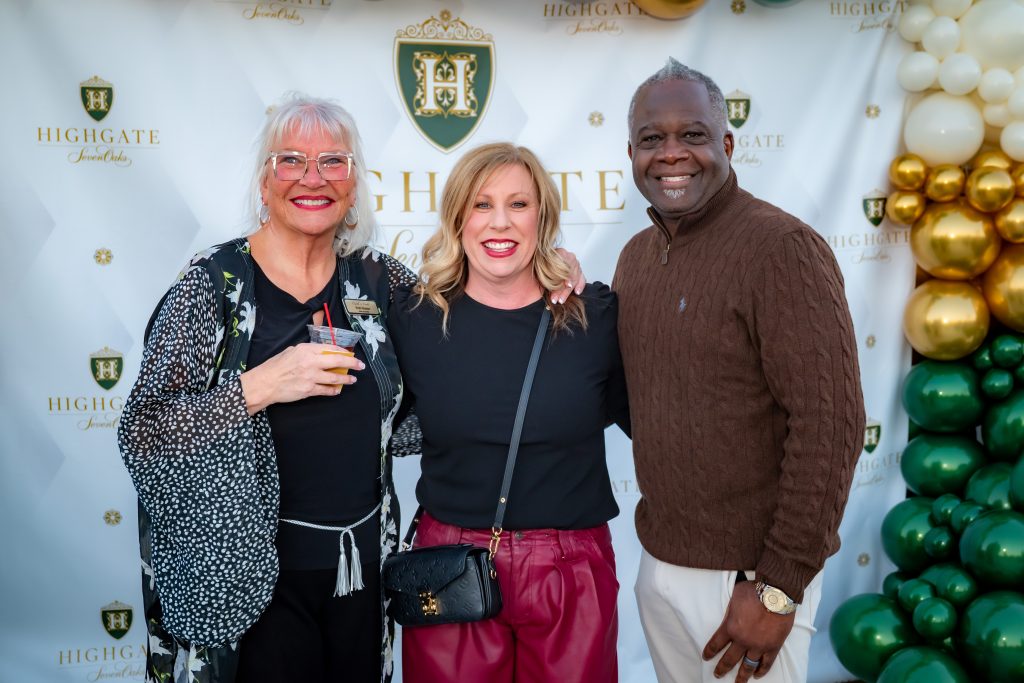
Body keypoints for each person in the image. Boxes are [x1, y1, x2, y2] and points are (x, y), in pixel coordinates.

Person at [118, 93, 418, 683]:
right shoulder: (213, 284)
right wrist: (258, 387)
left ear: (353, 185)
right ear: (264, 182)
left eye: (333, 162)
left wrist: (548, 269)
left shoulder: (379, 280)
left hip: (361, 573)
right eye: (291, 161)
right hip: (247, 580)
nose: (313, 177)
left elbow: (465, 339)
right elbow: (144, 434)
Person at [613, 59, 865, 683]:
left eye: (693, 135)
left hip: (749, 582)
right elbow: (643, 401)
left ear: (726, 145)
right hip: (660, 564)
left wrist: (779, 585)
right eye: (652, 138)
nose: (671, 153)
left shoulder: (781, 248)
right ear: (632, 153)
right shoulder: (636, 257)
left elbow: (830, 424)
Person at [388, 142, 630, 683]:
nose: (500, 222)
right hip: (449, 567)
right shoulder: (412, 317)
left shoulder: (597, 318)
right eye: (481, 204)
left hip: (571, 569)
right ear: (457, 217)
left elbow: (657, 423)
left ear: (543, 217)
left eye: (518, 204)